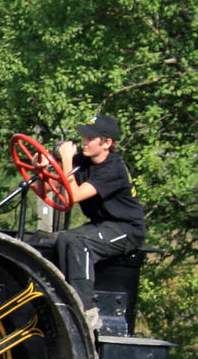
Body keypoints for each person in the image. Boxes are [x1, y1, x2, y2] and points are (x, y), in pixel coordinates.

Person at [50, 114, 146, 328]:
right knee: (64, 238)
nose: (83, 142)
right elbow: (51, 187)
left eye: (90, 139)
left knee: (79, 243)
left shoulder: (113, 168)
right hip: (101, 224)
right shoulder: (83, 162)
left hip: (126, 228)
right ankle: (62, 299)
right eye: (84, 137)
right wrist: (42, 167)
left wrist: (66, 160)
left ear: (106, 143)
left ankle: (86, 309)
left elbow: (73, 196)